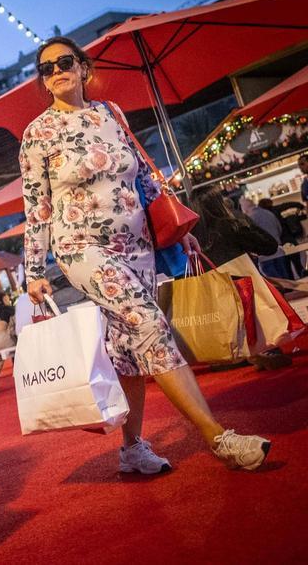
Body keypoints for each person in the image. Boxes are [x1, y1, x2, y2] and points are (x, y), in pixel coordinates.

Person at [20, 35, 270, 473]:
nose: (56, 71)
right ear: (44, 82)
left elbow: (143, 178)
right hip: (80, 248)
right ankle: (219, 438)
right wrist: (34, 268)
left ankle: (132, 449)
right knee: (149, 324)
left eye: (64, 62)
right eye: (46, 68)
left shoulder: (111, 114)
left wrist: (175, 232)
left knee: (128, 349)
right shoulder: (38, 134)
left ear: (82, 68)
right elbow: (36, 204)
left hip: (136, 245)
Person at [191, 187, 292, 371]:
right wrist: (242, 221)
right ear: (219, 202)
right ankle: (265, 350)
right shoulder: (230, 223)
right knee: (260, 305)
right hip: (243, 285)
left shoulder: (191, 234)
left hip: (213, 293)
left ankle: (233, 356)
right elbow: (269, 246)